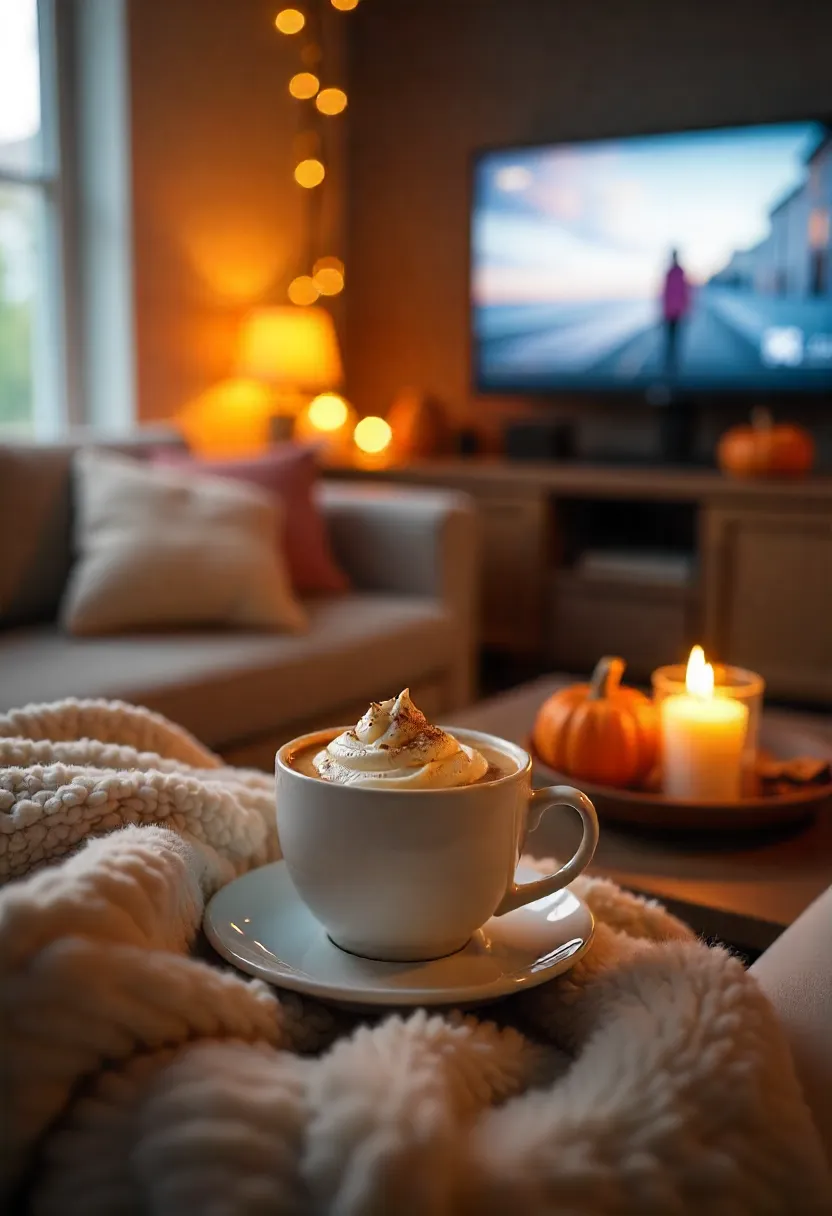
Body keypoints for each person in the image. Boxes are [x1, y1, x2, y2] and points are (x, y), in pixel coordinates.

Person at [661, 249, 690, 378]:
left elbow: (684, 293)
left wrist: (686, 309)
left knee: (673, 339)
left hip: (675, 312)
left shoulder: (675, 273)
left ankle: (672, 365)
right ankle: (671, 365)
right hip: (672, 312)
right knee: (671, 339)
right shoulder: (674, 273)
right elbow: (666, 294)